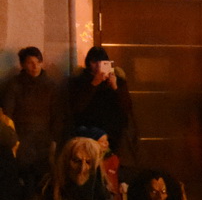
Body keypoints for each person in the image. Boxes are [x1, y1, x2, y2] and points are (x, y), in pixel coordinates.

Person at [3, 46, 62, 187]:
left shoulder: (51, 86)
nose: (35, 66)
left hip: (44, 140)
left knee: (44, 178)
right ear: (23, 65)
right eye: (30, 63)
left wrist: (55, 138)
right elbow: (8, 114)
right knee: (25, 178)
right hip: (22, 139)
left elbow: (57, 114)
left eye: (38, 61)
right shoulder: (15, 85)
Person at [67, 47, 133, 157]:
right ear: (88, 63)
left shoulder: (117, 80)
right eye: (94, 62)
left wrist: (115, 87)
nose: (98, 66)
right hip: (88, 132)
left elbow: (127, 107)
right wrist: (93, 84)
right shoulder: (80, 81)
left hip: (113, 134)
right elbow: (76, 106)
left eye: (102, 62)